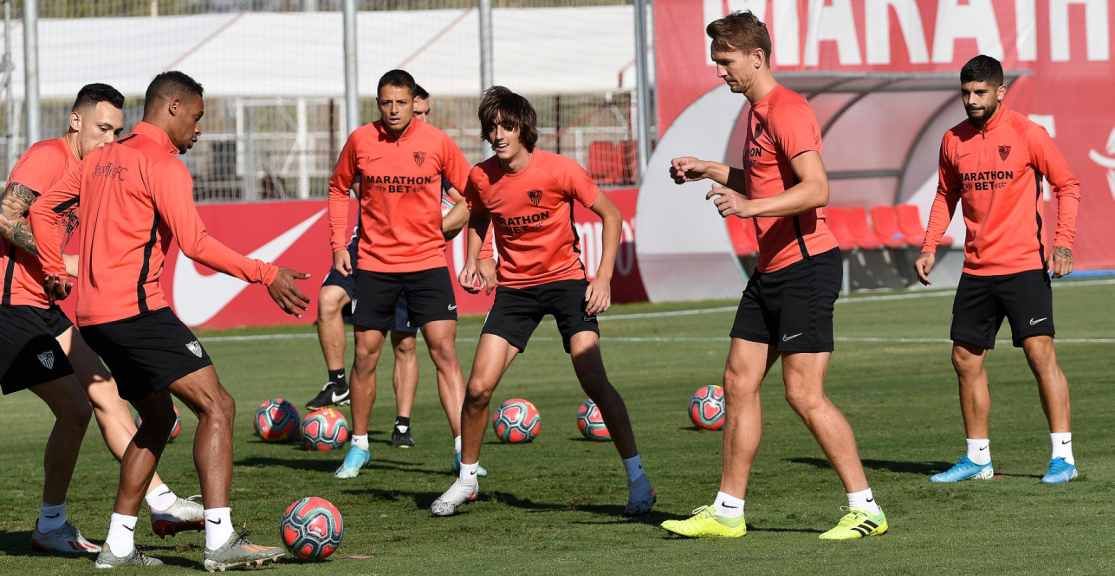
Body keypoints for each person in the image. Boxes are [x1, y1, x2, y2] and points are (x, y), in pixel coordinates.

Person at [29, 71, 310, 570]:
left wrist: (54, 268)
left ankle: (117, 547)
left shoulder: (97, 158)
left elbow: (43, 209)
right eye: (197, 118)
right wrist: (266, 274)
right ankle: (220, 542)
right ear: (173, 107)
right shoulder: (162, 164)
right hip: (137, 312)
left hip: (92, 318)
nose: (199, 130)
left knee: (158, 419)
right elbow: (197, 246)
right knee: (218, 406)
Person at [659, 11, 887, 540]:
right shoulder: (755, 113)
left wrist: (746, 207)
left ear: (756, 56)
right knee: (738, 382)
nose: (719, 71)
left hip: (807, 266)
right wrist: (710, 170)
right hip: (771, 269)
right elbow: (764, 181)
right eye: (716, 60)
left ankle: (866, 508)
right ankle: (727, 511)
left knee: (803, 394)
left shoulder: (787, 109)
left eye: (725, 60)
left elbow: (815, 188)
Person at [429, 86, 656, 518]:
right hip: (515, 292)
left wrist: (603, 277)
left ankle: (638, 480)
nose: (498, 134)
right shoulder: (481, 176)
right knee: (477, 389)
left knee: (594, 382)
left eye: (506, 126)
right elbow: (478, 214)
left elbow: (612, 214)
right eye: (492, 126)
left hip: (568, 283)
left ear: (523, 128)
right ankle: (467, 480)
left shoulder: (559, 170)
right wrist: (480, 258)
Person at [0, 84, 204, 555]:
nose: (109, 139)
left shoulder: (96, 169)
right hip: (11, 304)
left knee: (107, 393)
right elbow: (7, 216)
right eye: (101, 128)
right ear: (75, 122)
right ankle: (51, 525)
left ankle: (161, 500)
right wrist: (57, 262)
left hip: (42, 307)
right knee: (75, 408)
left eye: (116, 130)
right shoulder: (47, 157)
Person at [914, 55, 1080, 484]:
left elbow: (1068, 184)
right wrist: (929, 245)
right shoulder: (953, 139)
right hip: (976, 271)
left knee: (1041, 356)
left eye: (980, 92)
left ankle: (1063, 457)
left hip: (1023, 267)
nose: (971, 100)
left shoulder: (1028, 133)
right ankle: (978, 459)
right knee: (964, 358)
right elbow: (944, 196)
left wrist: (1063, 242)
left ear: (1000, 92)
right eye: (965, 92)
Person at [327, 70, 482, 480]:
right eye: (385, 103)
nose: (393, 110)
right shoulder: (361, 140)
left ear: (415, 102)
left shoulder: (437, 142)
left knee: (444, 352)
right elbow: (338, 187)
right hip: (375, 266)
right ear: (378, 103)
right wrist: (339, 244)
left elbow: (473, 193)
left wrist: (452, 227)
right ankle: (359, 446)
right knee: (364, 356)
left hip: (428, 264)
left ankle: (463, 451)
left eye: (400, 102)